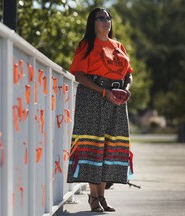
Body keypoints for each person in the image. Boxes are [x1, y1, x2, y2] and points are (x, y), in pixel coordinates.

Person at [67, 8, 134, 212]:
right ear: (93, 23)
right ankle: (94, 197)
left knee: (110, 147)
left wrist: (126, 90)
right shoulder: (86, 45)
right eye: (101, 18)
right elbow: (79, 75)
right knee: (93, 146)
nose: (106, 21)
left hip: (116, 101)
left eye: (108, 18)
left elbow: (128, 74)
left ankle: (102, 197)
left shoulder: (118, 46)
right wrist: (103, 92)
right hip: (93, 97)